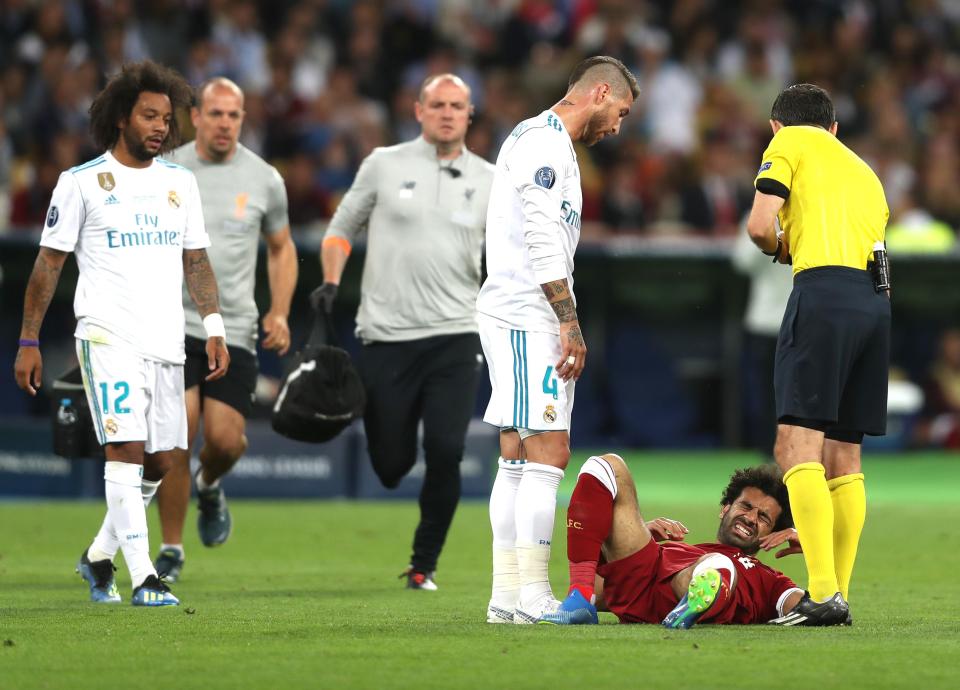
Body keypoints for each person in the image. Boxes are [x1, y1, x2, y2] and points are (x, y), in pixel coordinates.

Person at [13, 60, 229, 606]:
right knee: (126, 452)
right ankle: (144, 578)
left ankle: (97, 556)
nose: (161, 126)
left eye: (166, 117)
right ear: (120, 119)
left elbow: (196, 261)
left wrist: (215, 327)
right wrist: (29, 339)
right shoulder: (81, 183)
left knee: (161, 461)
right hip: (107, 336)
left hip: (167, 341)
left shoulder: (180, 184)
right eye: (149, 116)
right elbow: (47, 264)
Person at [313, 74, 495, 590]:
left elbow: (510, 255)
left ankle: (424, 563)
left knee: (445, 448)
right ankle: (399, 474)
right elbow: (340, 228)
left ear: (469, 114)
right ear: (418, 110)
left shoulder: (491, 179)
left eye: (456, 105)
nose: (446, 113)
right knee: (391, 465)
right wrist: (330, 279)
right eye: (436, 104)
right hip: (386, 336)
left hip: (456, 334)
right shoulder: (383, 163)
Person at [477, 55, 640, 624]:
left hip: (520, 311)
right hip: (527, 314)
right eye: (619, 112)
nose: (617, 127)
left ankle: (508, 597)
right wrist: (567, 320)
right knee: (548, 452)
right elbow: (542, 235)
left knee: (520, 456)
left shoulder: (544, 142)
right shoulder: (545, 143)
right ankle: (531, 597)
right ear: (599, 92)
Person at [745, 83, 890, 625]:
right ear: (835, 129)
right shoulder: (866, 172)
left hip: (823, 294)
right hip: (876, 303)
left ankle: (823, 592)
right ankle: (838, 594)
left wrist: (777, 248)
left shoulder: (788, 144)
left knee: (795, 443)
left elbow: (760, 224)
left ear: (776, 127)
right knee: (844, 455)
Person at [152, 77, 297, 582]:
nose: (224, 124)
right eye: (215, 114)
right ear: (196, 117)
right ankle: (171, 549)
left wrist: (278, 310)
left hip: (233, 326)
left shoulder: (263, 178)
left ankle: (209, 484)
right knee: (177, 433)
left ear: (242, 119)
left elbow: (281, 247)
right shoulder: (165, 171)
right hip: (171, 324)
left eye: (233, 116)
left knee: (225, 440)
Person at [540, 454, 807, 627]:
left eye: (763, 518)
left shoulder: (771, 580)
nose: (750, 518)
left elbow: (820, 608)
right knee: (605, 465)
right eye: (745, 506)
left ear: (772, 533)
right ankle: (578, 598)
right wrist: (637, 536)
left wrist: (811, 547)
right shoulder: (682, 548)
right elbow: (603, 589)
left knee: (717, 564)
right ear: (724, 508)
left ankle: (697, 596)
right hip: (646, 575)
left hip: (696, 584)